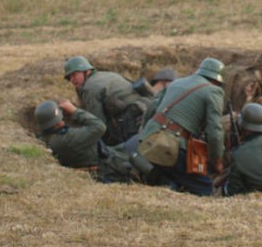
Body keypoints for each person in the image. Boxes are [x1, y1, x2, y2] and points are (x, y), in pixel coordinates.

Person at [137, 57, 226, 196]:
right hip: (170, 145)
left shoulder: (176, 82)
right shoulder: (214, 91)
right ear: (217, 80)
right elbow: (215, 132)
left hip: (150, 138)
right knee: (204, 188)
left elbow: (152, 107)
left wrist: (144, 133)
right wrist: (217, 159)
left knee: (172, 178)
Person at [34, 99, 148, 183]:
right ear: (57, 122)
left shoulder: (50, 139)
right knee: (142, 142)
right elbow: (99, 127)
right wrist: (74, 111)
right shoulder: (68, 139)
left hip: (106, 154)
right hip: (110, 164)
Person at [63, 55, 152, 146]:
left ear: (86, 71)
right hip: (146, 109)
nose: (72, 80)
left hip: (131, 122)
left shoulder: (89, 89)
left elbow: (98, 125)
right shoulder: (109, 74)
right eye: (69, 77)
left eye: (74, 74)